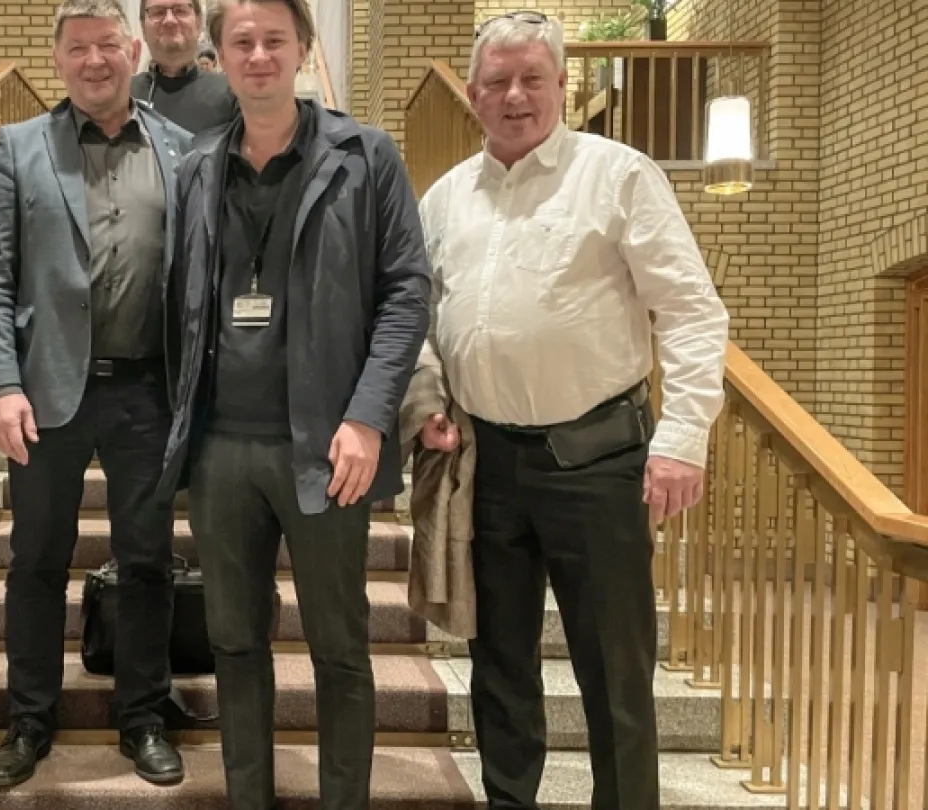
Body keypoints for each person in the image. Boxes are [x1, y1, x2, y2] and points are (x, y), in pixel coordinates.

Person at [413, 11, 730, 810]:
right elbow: (413, 317)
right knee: (500, 664)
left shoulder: (618, 174)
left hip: (598, 461)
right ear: (477, 93)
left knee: (615, 672)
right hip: (484, 464)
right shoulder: (446, 197)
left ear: (562, 84)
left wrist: (683, 438)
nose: (514, 95)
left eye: (532, 78)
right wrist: (429, 402)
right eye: (497, 81)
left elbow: (692, 312)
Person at [157, 0, 431, 806]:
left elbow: (408, 294)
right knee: (235, 645)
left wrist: (370, 415)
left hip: (325, 447)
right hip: (221, 451)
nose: (259, 54)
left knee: (340, 647)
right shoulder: (196, 168)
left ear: (305, 50)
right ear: (220, 57)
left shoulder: (367, 156)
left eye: (275, 39)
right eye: (241, 41)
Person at [0, 0, 195, 790]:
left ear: (132, 51)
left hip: (147, 392)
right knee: (36, 561)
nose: (94, 60)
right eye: (78, 49)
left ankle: (142, 717)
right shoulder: (17, 146)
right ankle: (29, 720)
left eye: (108, 45)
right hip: (44, 394)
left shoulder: (180, 149)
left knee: (146, 563)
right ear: (57, 58)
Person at [130, 0, 237, 133]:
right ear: (143, 28)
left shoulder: (232, 93)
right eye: (158, 12)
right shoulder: (125, 96)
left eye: (180, 10)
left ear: (198, 24)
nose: (169, 20)